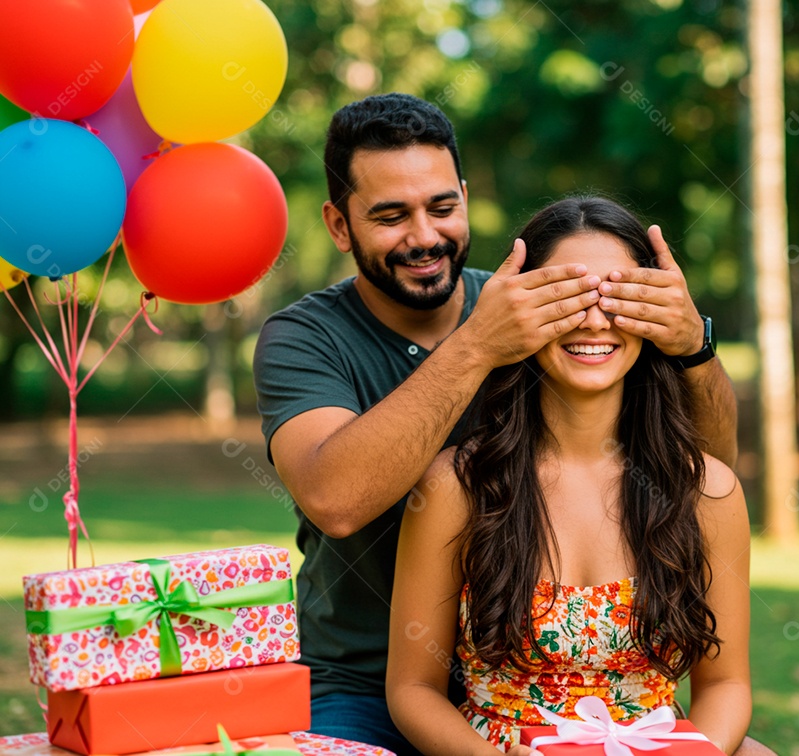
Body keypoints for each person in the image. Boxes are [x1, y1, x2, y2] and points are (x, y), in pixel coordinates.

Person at [253, 94, 739, 752]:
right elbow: (335, 500)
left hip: (550, 681)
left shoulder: (547, 301)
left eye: (441, 208)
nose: (424, 237)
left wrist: (692, 347)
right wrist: (478, 345)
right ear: (340, 225)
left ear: (465, 198)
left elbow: (704, 472)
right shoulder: (305, 337)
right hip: (364, 681)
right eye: (391, 216)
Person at [386, 196, 770, 756]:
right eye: (568, 298)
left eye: (617, 297)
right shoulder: (457, 485)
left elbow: (727, 685)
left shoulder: (708, 490)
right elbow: (413, 689)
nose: (593, 320)